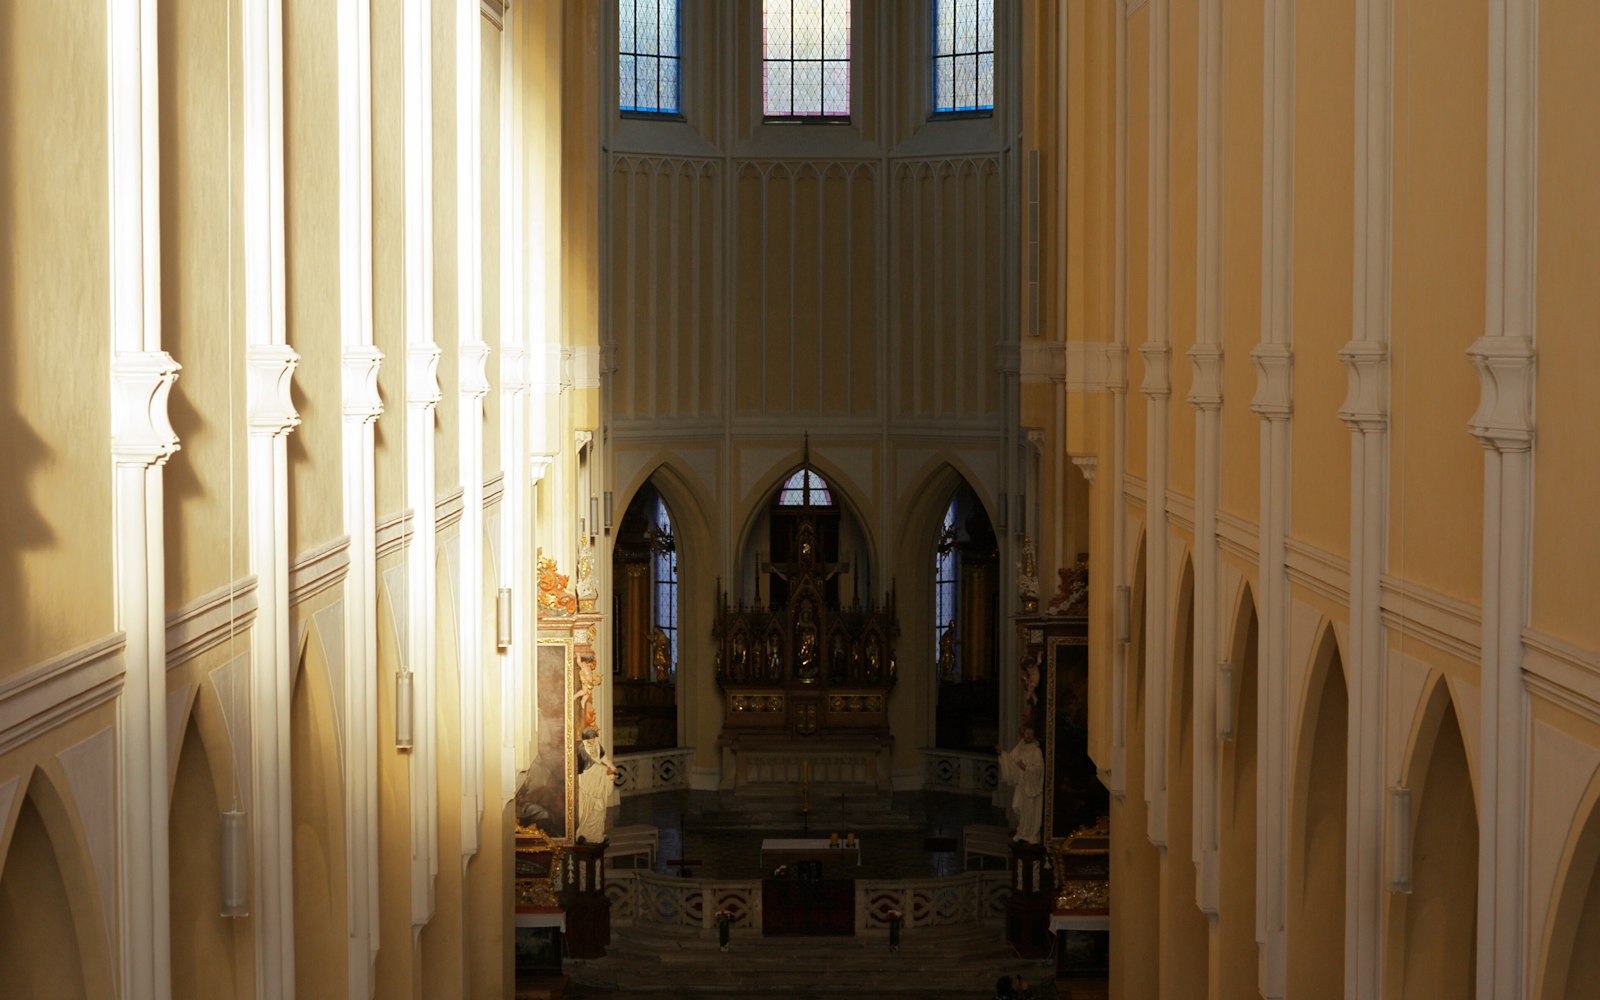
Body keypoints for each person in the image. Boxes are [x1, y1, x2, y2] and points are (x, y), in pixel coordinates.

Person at [996, 725, 1045, 843]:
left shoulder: (1036, 750)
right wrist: (1002, 753)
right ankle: (1022, 830)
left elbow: (1039, 768)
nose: (1028, 736)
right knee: (1016, 806)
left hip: (1031, 785)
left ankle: (1029, 833)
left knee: (1029, 810)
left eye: (1031, 734)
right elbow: (1011, 760)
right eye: (1027, 733)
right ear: (1024, 734)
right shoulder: (1020, 747)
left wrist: (1026, 768)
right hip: (1021, 784)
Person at [574, 726, 617, 843]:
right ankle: (584, 834)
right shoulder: (582, 749)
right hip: (589, 781)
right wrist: (605, 771)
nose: (592, 742)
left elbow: (604, 758)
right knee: (594, 807)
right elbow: (589, 766)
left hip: (599, 780)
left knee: (600, 808)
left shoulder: (597, 746)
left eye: (593, 739)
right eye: (589, 740)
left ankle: (595, 834)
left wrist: (612, 768)